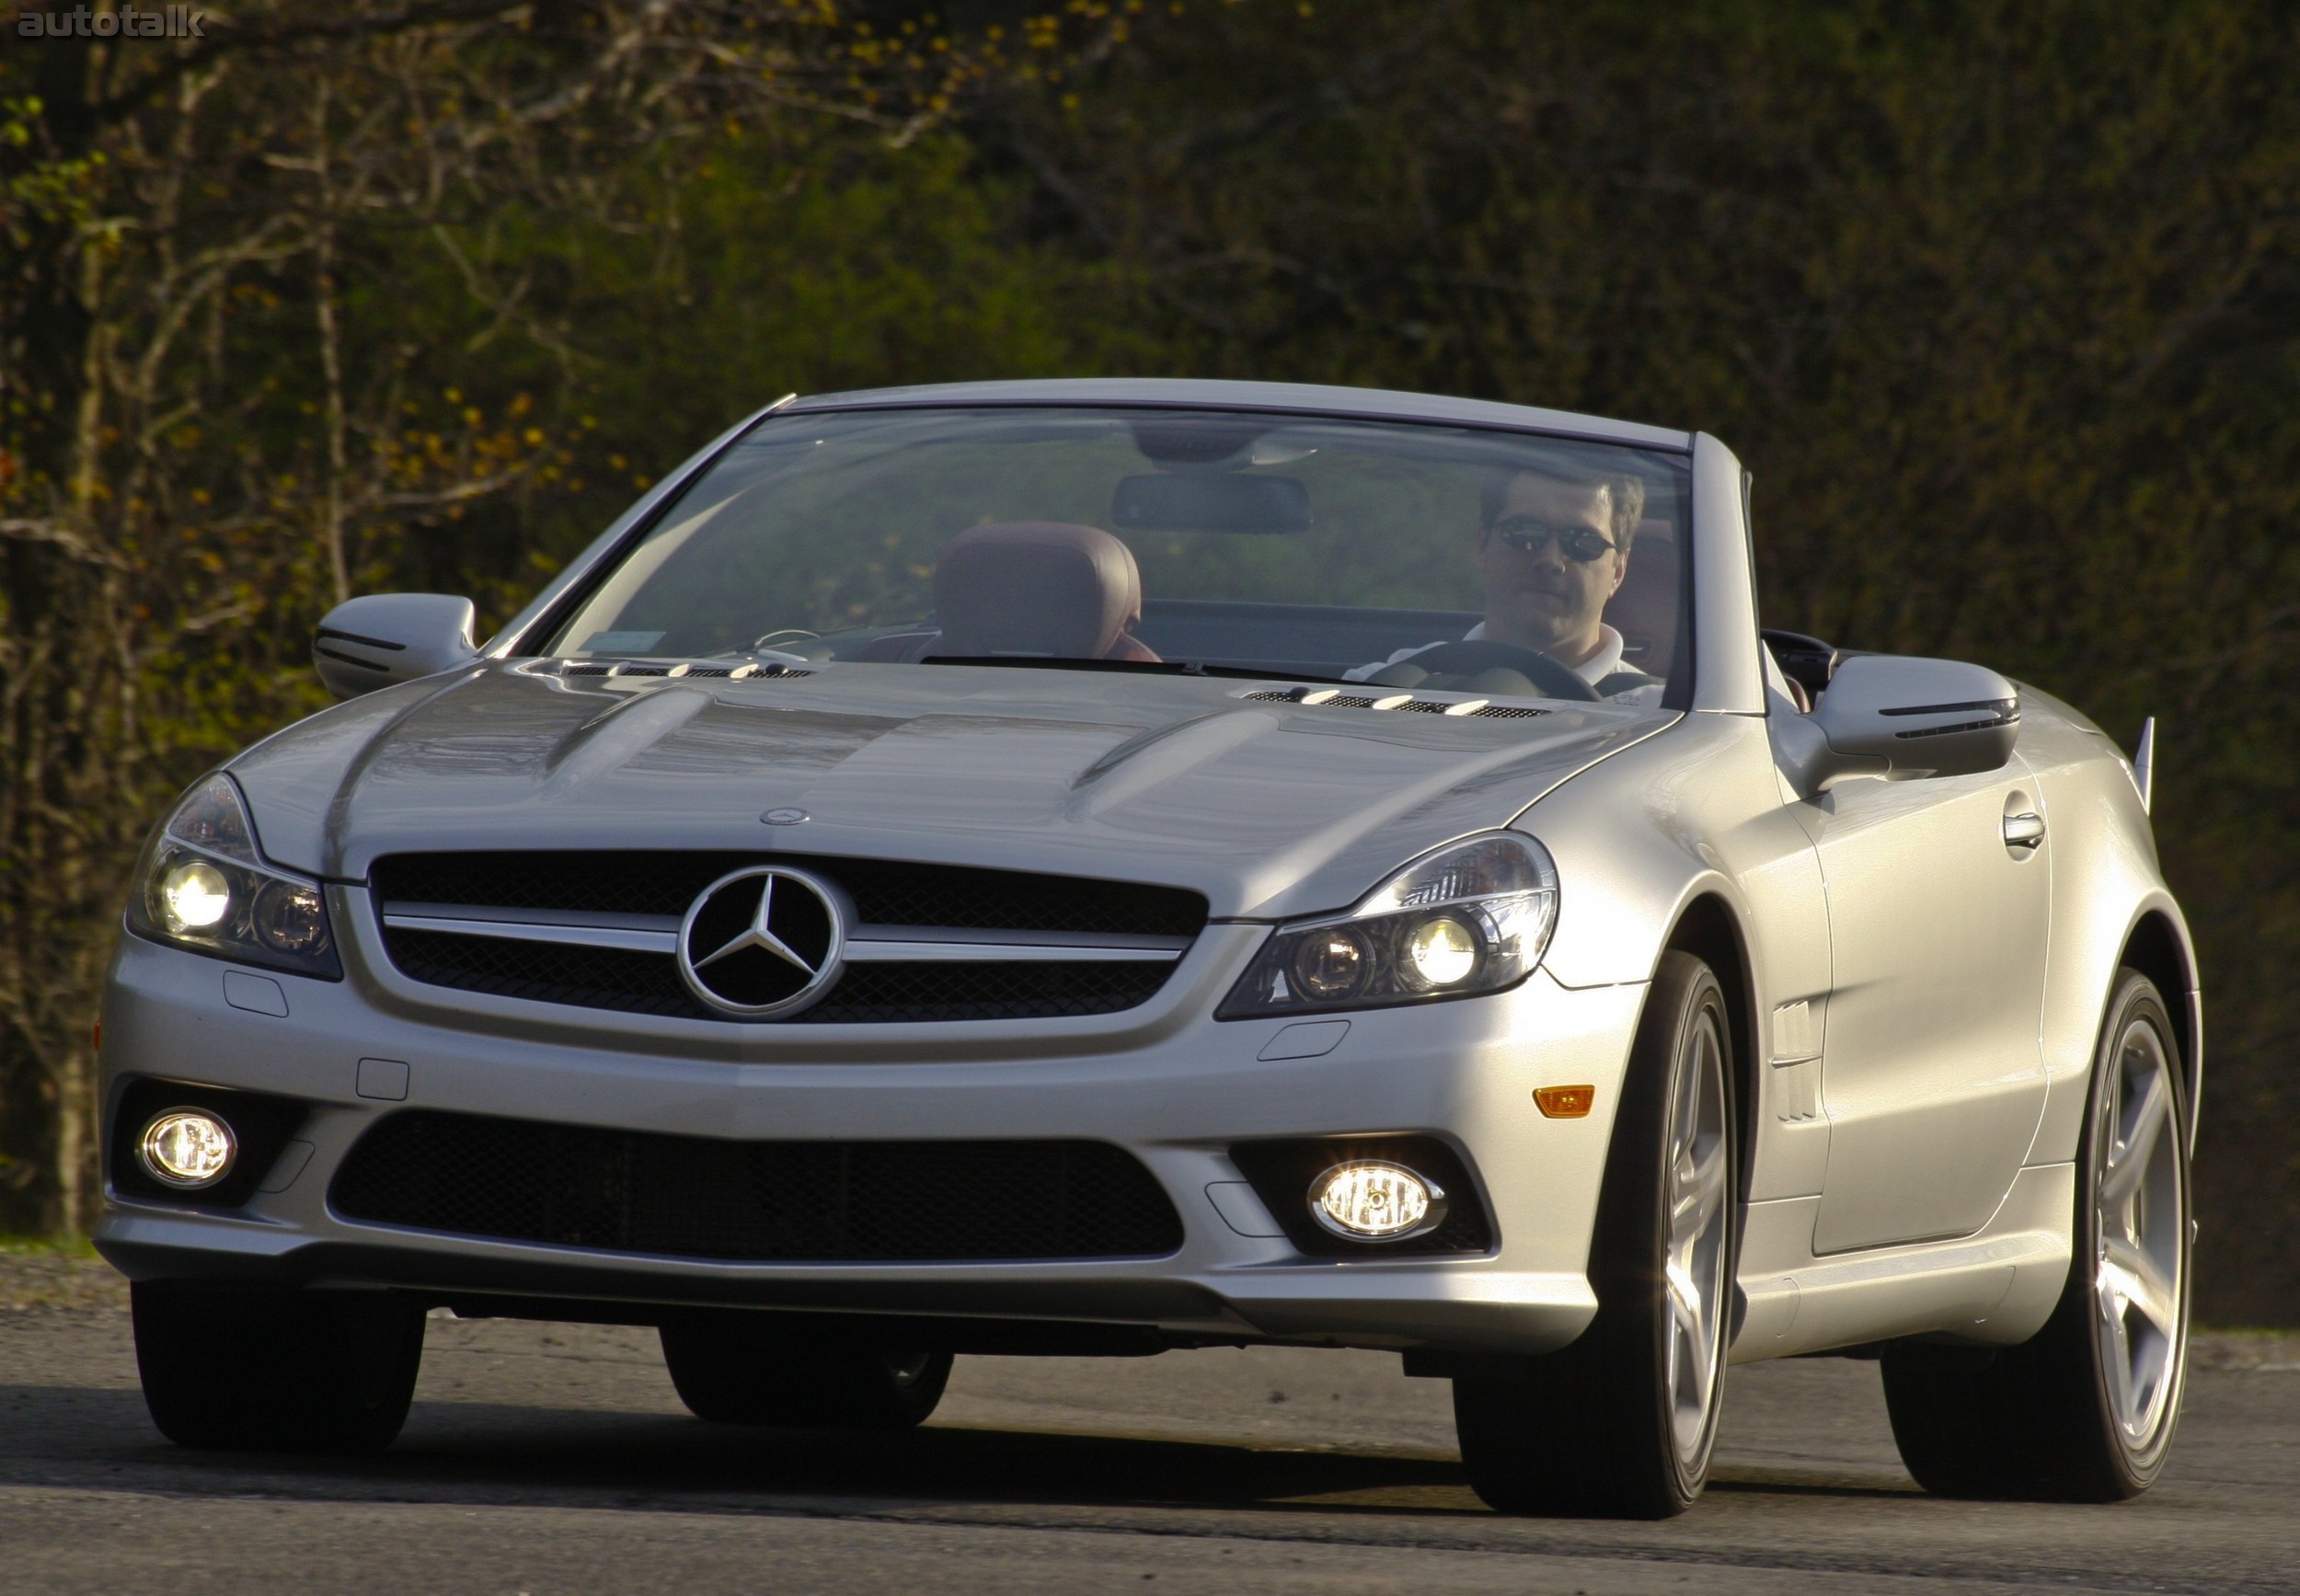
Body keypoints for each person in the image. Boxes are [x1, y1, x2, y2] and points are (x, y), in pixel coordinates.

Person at [1347, 466, 1659, 698]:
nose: (1551, 560)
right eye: (1524, 533)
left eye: (1583, 542)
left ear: (1619, 570)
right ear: (1482, 545)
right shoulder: (1376, 690)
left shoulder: (1664, 722)